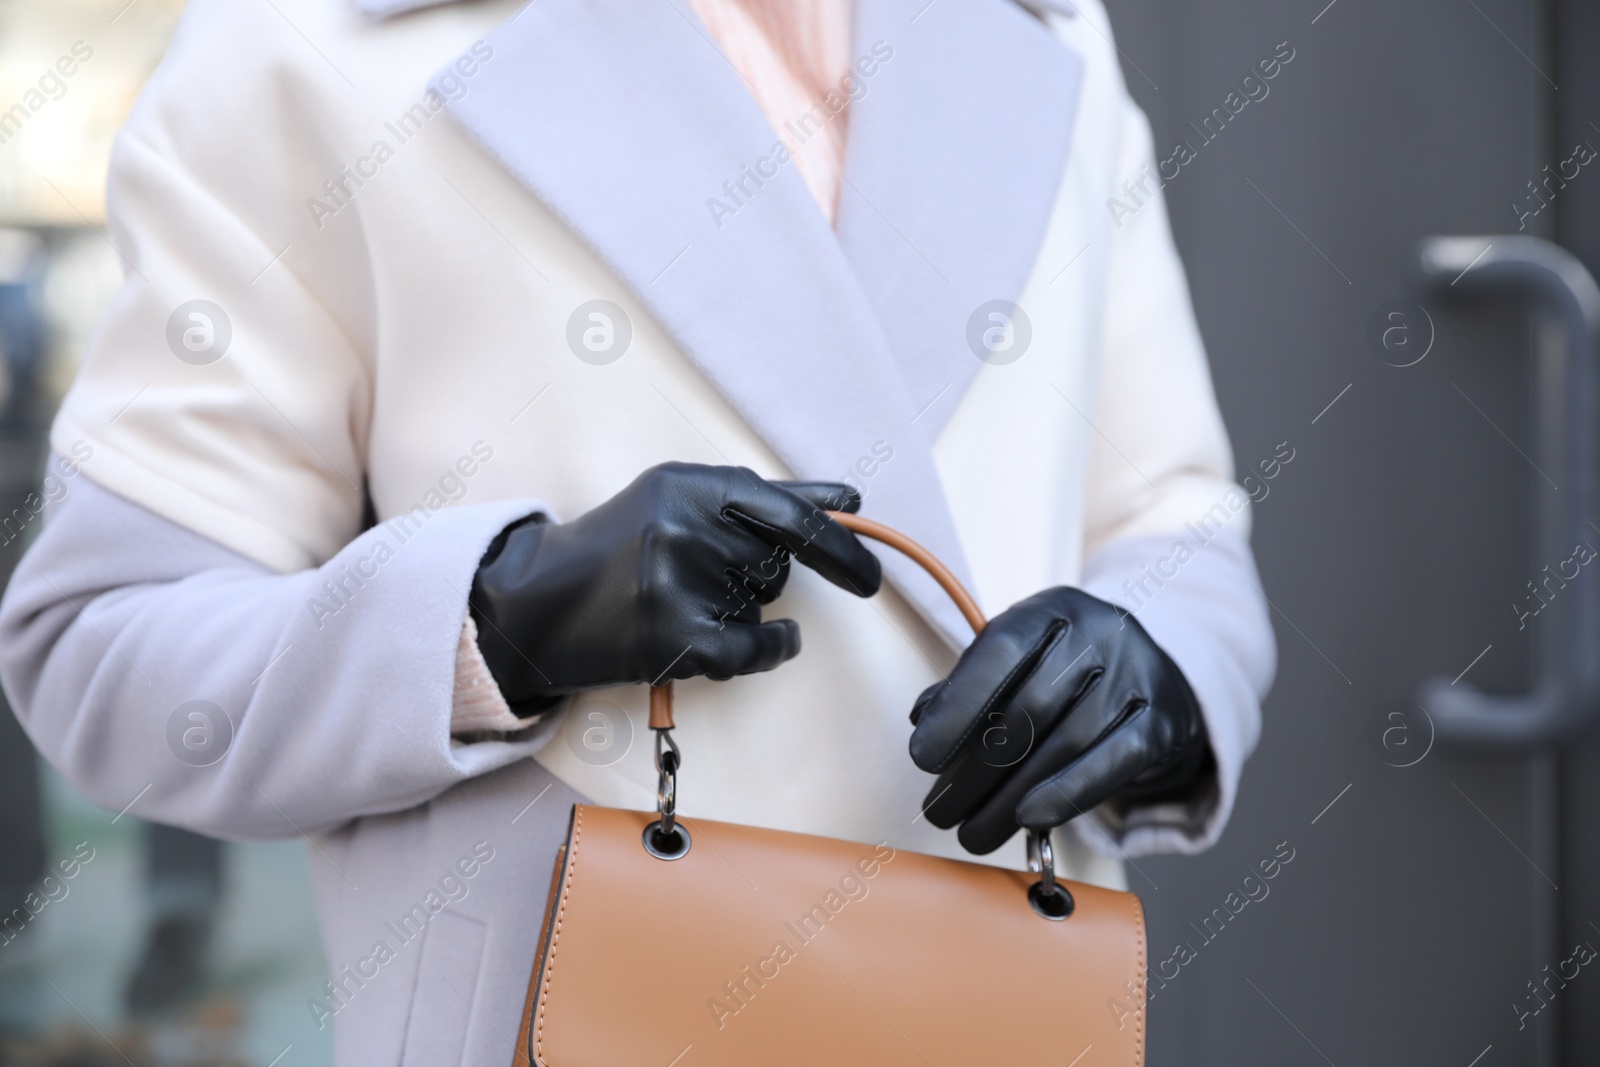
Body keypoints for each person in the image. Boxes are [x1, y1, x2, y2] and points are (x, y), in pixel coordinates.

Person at [0, 0, 1275, 1062]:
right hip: (564, 1009)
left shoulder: (1043, 26)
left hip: (995, 1006)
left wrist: (1152, 674)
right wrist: (497, 619)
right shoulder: (299, 43)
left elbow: (1173, 518)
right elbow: (102, 647)